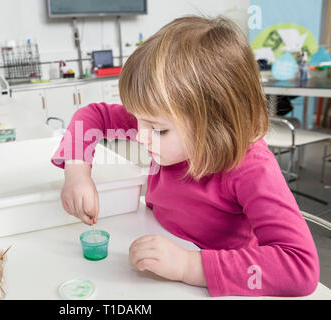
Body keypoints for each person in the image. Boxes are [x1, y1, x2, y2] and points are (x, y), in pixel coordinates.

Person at [50, 16, 319, 297]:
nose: (140, 136)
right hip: (156, 252)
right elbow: (91, 116)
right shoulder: (161, 121)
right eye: (140, 121)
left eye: (159, 130)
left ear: (214, 124)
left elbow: (300, 268)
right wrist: (77, 172)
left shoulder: (251, 169)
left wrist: (188, 266)